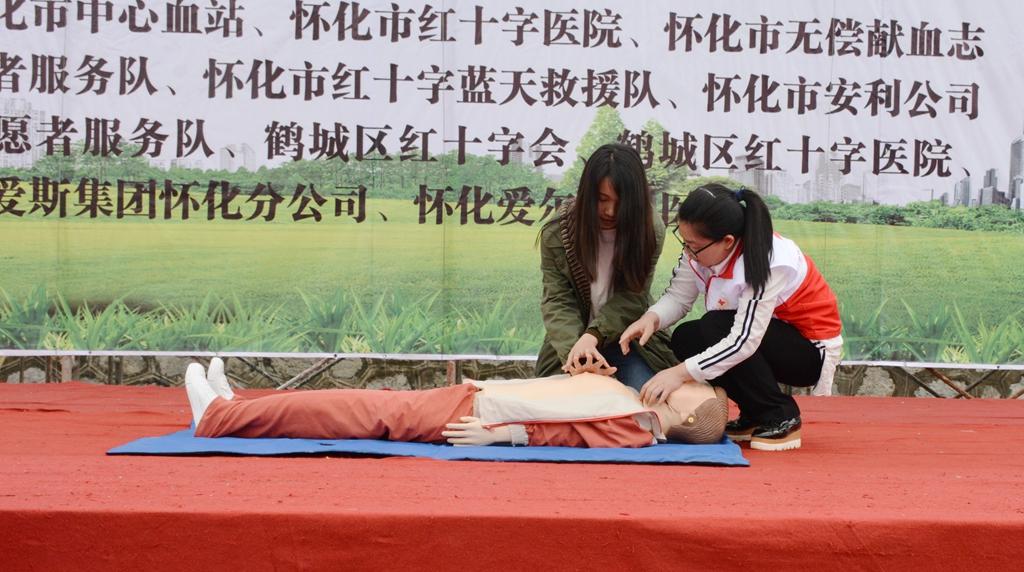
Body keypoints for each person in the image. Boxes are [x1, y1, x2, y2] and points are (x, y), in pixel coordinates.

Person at [619, 184, 843, 452]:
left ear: (727, 241)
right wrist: (650, 319)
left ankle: (781, 416)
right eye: (684, 242)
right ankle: (754, 413)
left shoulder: (769, 260)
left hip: (807, 353)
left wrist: (678, 374)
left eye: (694, 247)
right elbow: (679, 297)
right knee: (687, 337)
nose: (688, 253)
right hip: (766, 339)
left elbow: (744, 340)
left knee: (716, 327)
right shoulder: (700, 250)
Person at [184, 358, 728, 448]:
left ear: (682, 415)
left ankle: (221, 417)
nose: (682, 379)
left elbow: (570, 434)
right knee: (357, 404)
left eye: (690, 388)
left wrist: (503, 436)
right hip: (474, 399)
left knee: (351, 409)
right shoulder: (632, 402)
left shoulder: (637, 424)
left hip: (471, 414)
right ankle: (236, 408)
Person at [535, 143, 678, 392]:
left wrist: (595, 335)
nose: (610, 211)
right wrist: (579, 355)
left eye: (620, 202)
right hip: (572, 340)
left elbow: (633, 296)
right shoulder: (558, 231)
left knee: (644, 398)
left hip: (627, 339)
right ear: (586, 193)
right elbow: (557, 301)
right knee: (558, 401)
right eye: (601, 199)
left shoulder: (649, 229)